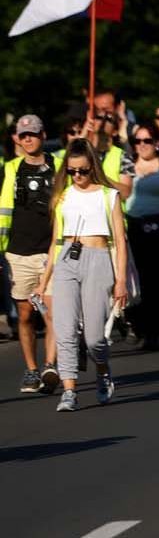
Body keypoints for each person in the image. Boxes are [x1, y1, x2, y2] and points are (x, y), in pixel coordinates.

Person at [38, 140, 128, 411]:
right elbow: (56, 241)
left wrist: (121, 280)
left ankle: (102, 370)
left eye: (83, 171)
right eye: (72, 171)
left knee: (93, 338)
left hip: (98, 260)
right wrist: (44, 279)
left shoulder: (108, 195)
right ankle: (69, 391)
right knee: (64, 330)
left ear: (93, 168)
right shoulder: (63, 196)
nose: (77, 176)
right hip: (67, 260)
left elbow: (120, 242)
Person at [3, 115, 62, 393]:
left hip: (51, 249)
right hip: (19, 252)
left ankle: (51, 365)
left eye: (33, 134)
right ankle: (31, 369)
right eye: (23, 135)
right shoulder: (11, 169)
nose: (28, 139)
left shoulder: (58, 166)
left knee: (51, 312)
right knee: (25, 315)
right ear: (17, 139)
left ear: (42, 135)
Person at [125, 122, 159, 351]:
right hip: (133, 227)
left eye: (147, 140)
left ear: (157, 143)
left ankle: (154, 331)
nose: (142, 145)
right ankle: (137, 324)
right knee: (135, 280)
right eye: (137, 141)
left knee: (157, 282)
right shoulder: (127, 166)